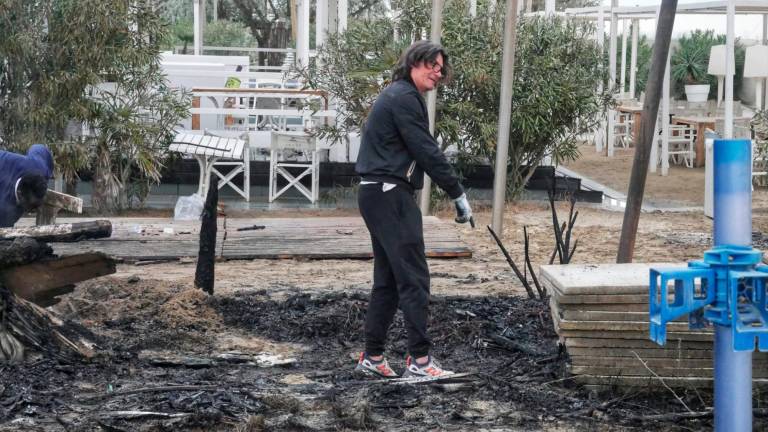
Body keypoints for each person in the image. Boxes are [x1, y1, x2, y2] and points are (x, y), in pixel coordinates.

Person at [354, 40, 473, 379]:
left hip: (375, 192)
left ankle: (373, 357)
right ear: (414, 63)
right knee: (414, 278)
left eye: (440, 67)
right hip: (389, 194)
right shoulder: (405, 98)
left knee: (389, 280)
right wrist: (457, 192)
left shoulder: (395, 94)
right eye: (432, 65)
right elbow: (425, 149)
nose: (438, 72)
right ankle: (420, 362)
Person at [0, 144, 54, 227]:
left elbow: (38, 148)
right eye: (32, 206)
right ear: (20, 194)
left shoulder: (39, 167)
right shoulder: (3, 211)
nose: (37, 209)